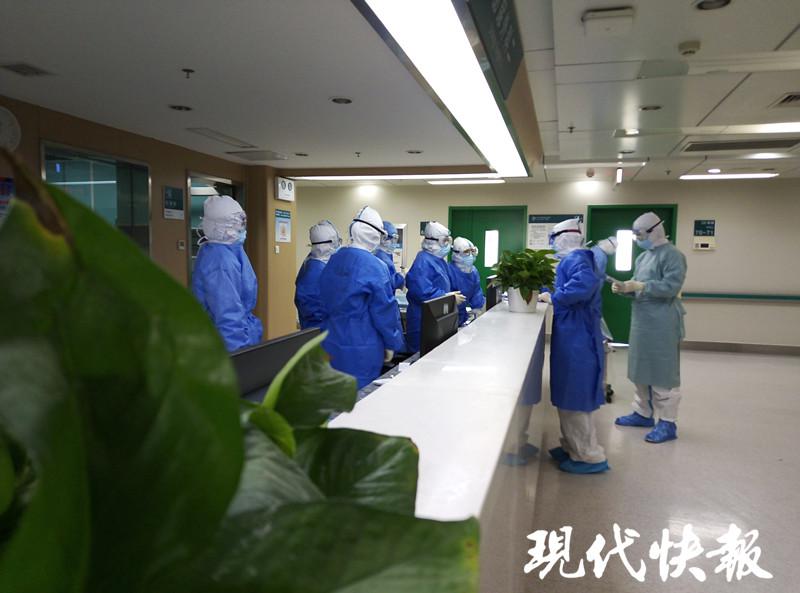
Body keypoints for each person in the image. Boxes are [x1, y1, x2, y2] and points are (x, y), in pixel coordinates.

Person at [539, 218, 609, 474]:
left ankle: (589, 456)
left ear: (563, 238)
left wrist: (555, 297)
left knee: (576, 398)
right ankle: (571, 446)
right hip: (572, 333)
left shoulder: (576, 259)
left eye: (553, 239)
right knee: (567, 395)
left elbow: (583, 285)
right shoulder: (575, 259)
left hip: (578, 337)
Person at [612, 212, 687, 444]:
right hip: (642, 321)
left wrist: (642, 286)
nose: (638, 239)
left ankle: (668, 422)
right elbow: (638, 287)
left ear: (655, 231)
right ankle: (643, 413)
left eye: (640, 234)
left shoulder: (673, 255)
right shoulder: (643, 257)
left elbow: (671, 286)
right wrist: (626, 289)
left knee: (661, 373)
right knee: (640, 370)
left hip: (663, 322)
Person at [318, 206, 406, 388]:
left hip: (331, 340)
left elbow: (324, 297)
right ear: (375, 235)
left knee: (335, 392)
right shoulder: (375, 266)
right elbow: (384, 312)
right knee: (360, 396)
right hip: (362, 345)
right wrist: (392, 343)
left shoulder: (334, 260)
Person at [192, 195, 263, 352]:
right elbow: (227, 315)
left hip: (242, 332)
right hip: (226, 342)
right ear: (221, 227)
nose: (242, 228)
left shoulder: (231, 250)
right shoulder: (219, 260)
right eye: (238, 223)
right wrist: (239, 354)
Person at [405, 221, 463, 352]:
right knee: (421, 358)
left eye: (448, 240)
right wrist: (447, 298)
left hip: (436, 318)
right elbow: (421, 292)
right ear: (431, 242)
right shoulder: (423, 261)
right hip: (422, 321)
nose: (448, 245)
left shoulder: (440, 261)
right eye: (445, 241)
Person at [295, 220, 341, 329]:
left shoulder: (310, 262)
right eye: (336, 243)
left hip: (312, 328)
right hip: (321, 329)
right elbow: (320, 309)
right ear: (329, 244)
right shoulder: (317, 272)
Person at [447, 237, 485, 326]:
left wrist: (478, 310)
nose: (471, 255)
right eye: (467, 252)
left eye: (472, 251)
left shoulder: (473, 271)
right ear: (456, 253)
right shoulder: (448, 270)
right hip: (448, 317)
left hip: (462, 317)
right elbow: (442, 299)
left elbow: (476, 293)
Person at [374, 220, 405, 291]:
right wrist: (401, 276)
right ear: (384, 238)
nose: (394, 243)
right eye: (393, 239)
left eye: (396, 239)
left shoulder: (386, 255)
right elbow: (389, 283)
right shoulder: (382, 258)